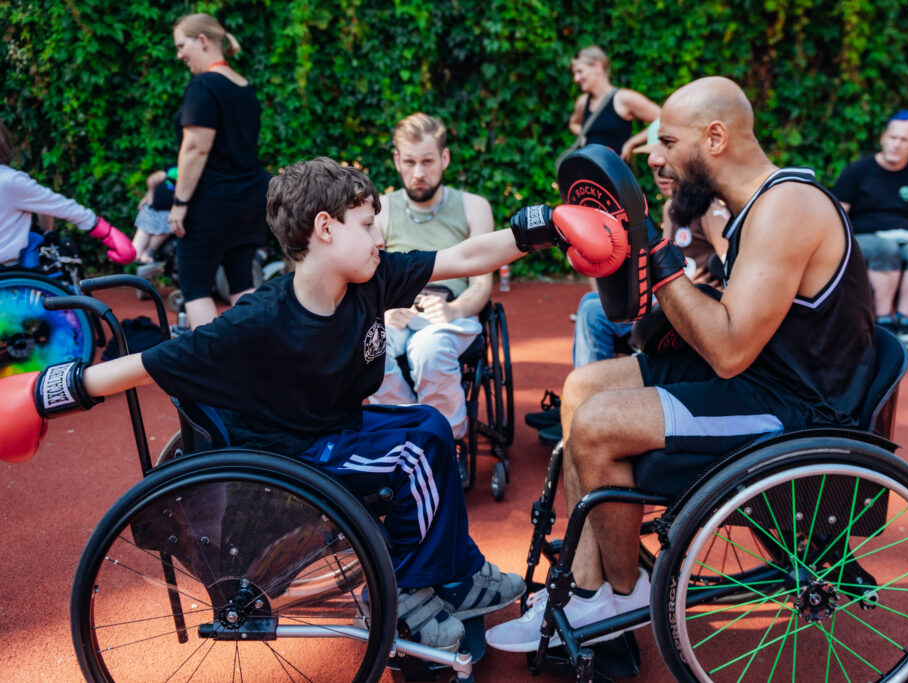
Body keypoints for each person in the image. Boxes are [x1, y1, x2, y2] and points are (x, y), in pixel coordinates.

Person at [2, 157, 629, 652]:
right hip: (292, 456)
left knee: (432, 429)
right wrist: (40, 394)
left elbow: (463, 256)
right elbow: (145, 364)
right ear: (324, 229)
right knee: (411, 455)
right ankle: (412, 592)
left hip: (338, 428)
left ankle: (457, 574)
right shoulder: (258, 321)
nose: (380, 233)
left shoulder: (371, 278)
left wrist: (541, 226)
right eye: (366, 222)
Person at [486, 77, 877, 653]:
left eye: (666, 142)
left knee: (598, 427)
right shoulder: (751, 207)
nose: (656, 157)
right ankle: (590, 587)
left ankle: (624, 596)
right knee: (582, 387)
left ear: (715, 137)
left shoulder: (785, 208)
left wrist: (652, 249)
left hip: (793, 408)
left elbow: (727, 350)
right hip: (760, 377)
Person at [526, 119, 729, 446]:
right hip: (664, 305)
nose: (658, 171)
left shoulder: (708, 208)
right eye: (652, 163)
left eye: (667, 157)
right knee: (594, 306)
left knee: (592, 310)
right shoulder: (670, 210)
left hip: (694, 310)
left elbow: (729, 266)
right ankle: (585, 399)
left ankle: (591, 404)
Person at [368, 114, 494, 449]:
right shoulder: (381, 211)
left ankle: (446, 440)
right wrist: (382, 309)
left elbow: (481, 285)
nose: (419, 173)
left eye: (427, 161)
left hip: (451, 311)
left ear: (445, 158)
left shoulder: (474, 207)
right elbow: (365, 277)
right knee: (367, 347)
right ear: (397, 161)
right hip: (396, 310)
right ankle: (407, 432)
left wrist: (453, 310)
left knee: (429, 348)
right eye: (409, 162)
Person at [168, 13, 271, 329]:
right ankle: (257, 357)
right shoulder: (243, 86)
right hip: (250, 199)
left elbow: (196, 148)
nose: (179, 54)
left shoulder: (204, 85)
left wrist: (180, 203)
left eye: (181, 45)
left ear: (202, 40)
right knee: (242, 282)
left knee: (195, 286)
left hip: (212, 203)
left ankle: (211, 368)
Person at [833, 110, 908, 344]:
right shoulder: (857, 172)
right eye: (893, 137)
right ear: (883, 138)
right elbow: (836, 216)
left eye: (904, 140)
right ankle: (882, 319)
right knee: (884, 248)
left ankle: (905, 321)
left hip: (907, 239)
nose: (896, 144)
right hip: (866, 238)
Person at [0, 120, 134, 267]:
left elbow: (43, 205)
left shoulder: (11, 182)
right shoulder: (10, 181)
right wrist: (107, 233)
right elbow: (60, 206)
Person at [567, 46, 661, 160]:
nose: (576, 79)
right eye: (574, 74)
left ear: (598, 67)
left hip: (615, 173)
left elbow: (662, 119)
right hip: (588, 171)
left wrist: (631, 142)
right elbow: (573, 123)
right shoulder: (582, 101)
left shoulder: (624, 98)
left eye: (580, 72)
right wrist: (583, 136)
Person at [132, 167, 176, 268]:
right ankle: (136, 256)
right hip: (151, 210)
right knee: (136, 249)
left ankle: (147, 254)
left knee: (165, 231)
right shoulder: (174, 169)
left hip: (168, 215)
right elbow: (152, 180)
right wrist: (149, 195)